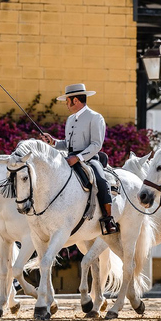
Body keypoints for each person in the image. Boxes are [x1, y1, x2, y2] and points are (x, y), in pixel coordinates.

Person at [40, 83, 119, 235]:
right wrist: (53, 142)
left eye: (67, 101)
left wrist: (78, 158)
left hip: (89, 158)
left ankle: (108, 219)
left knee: (101, 181)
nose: (66, 105)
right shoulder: (70, 119)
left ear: (75, 100)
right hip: (69, 158)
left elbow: (96, 144)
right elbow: (67, 144)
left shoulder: (95, 117)